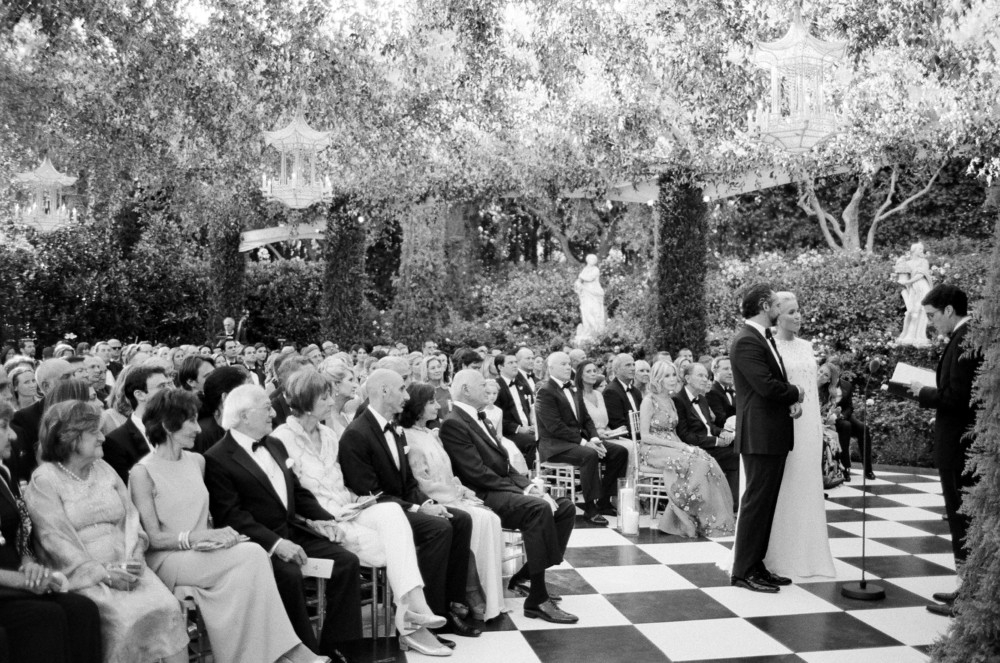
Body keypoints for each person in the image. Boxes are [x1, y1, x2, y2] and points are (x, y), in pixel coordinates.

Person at [130, 389, 329, 663]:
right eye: (190, 421)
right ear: (167, 425)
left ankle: (259, 656)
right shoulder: (142, 472)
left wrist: (220, 537)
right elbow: (152, 538)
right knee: (254, 554)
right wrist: (197, 538)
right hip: (169, 560)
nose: (198, 429)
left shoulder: (197, 462)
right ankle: (291, 651)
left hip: (206, 553)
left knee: (244, 573)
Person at [269, 371, 449, 656]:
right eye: (325, 396)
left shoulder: (329, 434)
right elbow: (291, 495)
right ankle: (411, 617)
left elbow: (340, 485)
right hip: (319, 521)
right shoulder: (281, 438)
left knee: (390, 510)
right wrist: (319, 521)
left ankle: (415, 607)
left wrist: (362, 500)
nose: (333, 401)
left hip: (347, 508)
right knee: (392, 547)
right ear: (306, 401)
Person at [203, 385, 362, 660]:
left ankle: (341, 649)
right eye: (266, 407)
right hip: (258, 544)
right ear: (243, 416)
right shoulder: (217, 458)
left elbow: (298, 492)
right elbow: (232, 516)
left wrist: (327, 520)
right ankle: (304, 654)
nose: (273, 412)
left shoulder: (274, 444)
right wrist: (276, 544)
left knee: (346, 562)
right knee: (288, 575)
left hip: (293, 531)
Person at [25, 401, 189, 663]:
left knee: (167, 607)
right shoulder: (46, 479)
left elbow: (131, 518)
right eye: (95, 432)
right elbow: (54, 539)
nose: (103, 436)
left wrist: (135, 556)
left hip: (129, 566)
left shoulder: (104, 469)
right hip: (85, 575)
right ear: (70, 437)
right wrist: (104, 573)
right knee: (126, 619)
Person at [338, 370, 480, 641]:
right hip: (377, 512)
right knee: (439, 528)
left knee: (461, 519)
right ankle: (426, 614)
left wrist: (427, 502)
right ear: (383, 391)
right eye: (402, 389)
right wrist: (418, 509)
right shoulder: (356, 434)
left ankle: (452, 606)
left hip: (403, 505)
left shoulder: (396, 429)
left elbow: (409, 483)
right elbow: (368, 492)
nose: (406, 396)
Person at [440, 370, 578, 625]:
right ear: (466, 390)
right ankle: (537, 599)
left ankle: (524, 575)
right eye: (482, 384)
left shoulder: (483, 418)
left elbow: (505, 465)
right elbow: (476, 473)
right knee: (538, 509)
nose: (489, 388)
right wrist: (523, 493)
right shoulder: (453, 423)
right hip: (482, 495)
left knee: (565, 507)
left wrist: (529, 487)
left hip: (501, 488)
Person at [0, 400, 102, 663]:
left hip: (15, 577)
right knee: (45, 617)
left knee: (83, 609)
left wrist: (28, 563)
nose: (12, 435)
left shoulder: (3, 473)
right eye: (3, 427)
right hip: (6, 586)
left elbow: (18, 533)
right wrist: (23, 581)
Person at [909, 284, 983, 617]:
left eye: (933, 316)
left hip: (959, 447)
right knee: (960, 520)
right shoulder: (963, 336)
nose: (931, 323)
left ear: (949, 310)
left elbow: (957, 398)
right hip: (958, 445)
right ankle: (966, 588)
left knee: (963, 521)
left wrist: (922, 391)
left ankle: (970, 594)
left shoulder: (965, 339)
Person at [402, 381, 504, 623]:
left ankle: (489, 593)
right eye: (431, 402)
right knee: (477, 519)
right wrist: (454, 494)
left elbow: (447, 472)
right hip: (436, 499)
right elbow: (421, 482)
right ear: (417, 407)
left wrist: (462, 489)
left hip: (451, 493)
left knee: (490, 517)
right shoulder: (408, 438)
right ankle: (469, 591)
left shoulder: (430, 434)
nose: (438, 406)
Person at [729, 283, 804, 593]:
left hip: (771, 433)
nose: (778, 309)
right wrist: (796, 392)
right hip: (759, 435)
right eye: (775, 304)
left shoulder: (760, 338)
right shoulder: (747, 341)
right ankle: (742, 571)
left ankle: (756, 564)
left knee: (765, 504)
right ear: (763, 305)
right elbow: (766, 386)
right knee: (756, 504)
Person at [760, 292, 836, 580]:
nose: (798, 316)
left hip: (810, 426)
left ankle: (810, 554)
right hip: (785, 423)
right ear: (778, 315)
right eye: (791, 312)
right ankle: (778, 555)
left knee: (807, 485)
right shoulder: (770, 345)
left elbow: (812, 388)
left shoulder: (807, 346)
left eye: (799, 311)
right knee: (784, 487)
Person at [639, 361, 735, 537]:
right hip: (653, 449)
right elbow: (644, 436)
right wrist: (679, 446)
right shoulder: (648, 401)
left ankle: (710, 516)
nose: (671, 379)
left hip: (674, 444)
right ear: (657, 378)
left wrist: (686, 447)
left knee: (707, 460)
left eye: (673, 374)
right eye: (666, 375)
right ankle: (685, 518)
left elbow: (675, 431)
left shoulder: (670, 399)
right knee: (694, 462)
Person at [536, 352, 628, 526]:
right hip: (556, 446)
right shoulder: (545, 392)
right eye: (562, 364)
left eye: (568, 363)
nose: (567, 367)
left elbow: (586, 419)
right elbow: (555, 427)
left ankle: (604, 501)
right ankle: (590, 508)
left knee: (619, 451)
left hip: (577, 442)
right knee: (589, 455)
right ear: (551, 368)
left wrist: (594, 439)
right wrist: (585, 443)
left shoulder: (573, 389)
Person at [673, 362, 740, 514]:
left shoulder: (702, 399)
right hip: (696, 449)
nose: (706, 380)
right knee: (735, 455)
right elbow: (685, 435)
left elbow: (709, 427)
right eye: (701, 376)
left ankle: (732, 501)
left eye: (707, 376)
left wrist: (722, 432)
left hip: (711, 444)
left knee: (741, 445)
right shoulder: (678, 400)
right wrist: (717, 441)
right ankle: (731, 506)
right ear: (688, 378)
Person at [102, 366, 174, 483]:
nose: (170, 390)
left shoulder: (179, 427)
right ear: (140, 395)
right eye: (162, 386)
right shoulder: (116, 442)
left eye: (168, 385)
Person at [11, 359, 76, 484]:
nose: (74, 381)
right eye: (67, 377)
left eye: (74, 374)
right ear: (46, 386)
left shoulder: (83, 409)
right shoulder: (24, 418)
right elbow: (28, 467)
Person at [492, 354, 537, 467]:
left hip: (528, 429)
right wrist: (518, 429)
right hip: (508, 433)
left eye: (515, 362)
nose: (515, 365)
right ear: (500, 367)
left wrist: (533, 425)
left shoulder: (521, 385)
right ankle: (530, 475)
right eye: (510, 363)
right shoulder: (495, 387)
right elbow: (495, 416)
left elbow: (530, 409)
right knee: (533, 441)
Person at [194, 366, 251, 453]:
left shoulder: (243, 424)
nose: (251, 397)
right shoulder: (203, 433)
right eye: (245, 392)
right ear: (225, 397)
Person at [894, 242, 934, 347]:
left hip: (923, 287)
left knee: (922, 310)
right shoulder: (908, 263)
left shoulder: (924, 261)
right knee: (912, 311)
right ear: (914, 251)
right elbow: (902, 275)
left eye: (922, 249)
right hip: (913, 289)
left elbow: (921, 275)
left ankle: (920, 336)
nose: (922, 251)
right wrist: (899, 262)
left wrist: (908, 282)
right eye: (920, 249)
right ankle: (909, 335)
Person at [817, 360, 847, 489]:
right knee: (827, 438)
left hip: (819, 424)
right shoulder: (806, 384)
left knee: (831, 437)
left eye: (826, 375)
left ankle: (828, 474)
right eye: (821, 371)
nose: (821, 375)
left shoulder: (828, 394)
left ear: (829, 380)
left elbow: (825, 415)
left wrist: (826, 421)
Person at [603, 353, 643, 439]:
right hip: (626, 438)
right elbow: (618, 425)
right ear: (616, 370)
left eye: (633, 365)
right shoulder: (610, 392)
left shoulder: (636, 391)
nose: (632, 368)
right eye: (628, 365)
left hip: (642, 435)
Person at [573, 254, 606, 342]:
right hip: (586, 293)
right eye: (590, 259)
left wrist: (580, 276)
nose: (592, 260)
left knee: (595, 311)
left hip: (594, 292)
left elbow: (590, 278)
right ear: (587, 260)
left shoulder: (595, 269)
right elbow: (580, 280)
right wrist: (578, 281)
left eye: (593, 259)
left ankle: (596, 331)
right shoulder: (585, 269)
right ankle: (588, 330)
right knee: (586, 311)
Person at [705, 356, 737, 428]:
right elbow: (721, 421)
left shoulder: (733, 391)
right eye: (726, 369)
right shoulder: (711, 392)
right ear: (715, 371)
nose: (730, 372)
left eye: (732, 369)